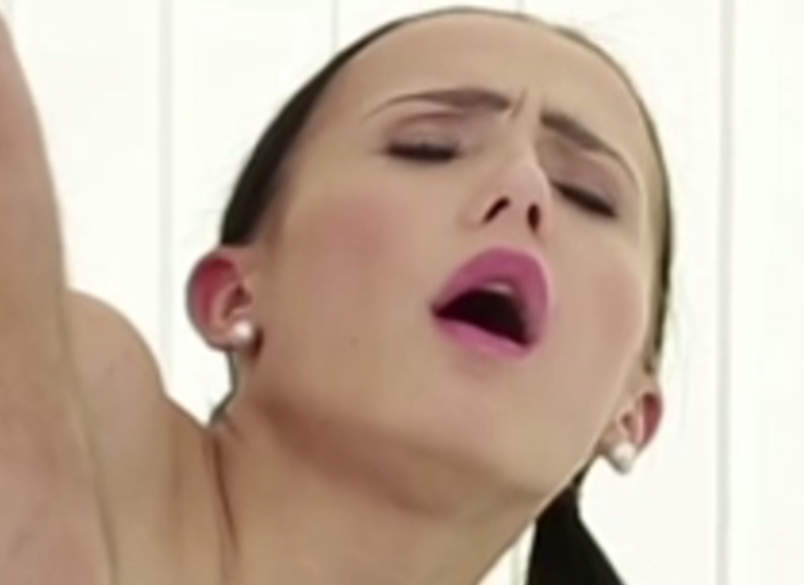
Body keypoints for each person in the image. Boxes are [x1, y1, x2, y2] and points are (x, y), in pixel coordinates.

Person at [0, 5, 673, 584]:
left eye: (589, 195)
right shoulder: (89, 411)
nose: (523, 186)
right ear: (234, 298)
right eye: (427, 147)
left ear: (631, 412)